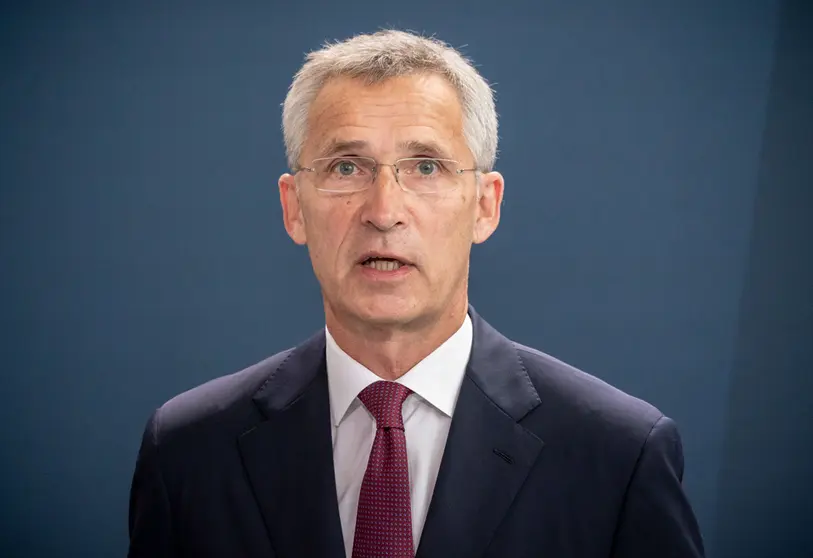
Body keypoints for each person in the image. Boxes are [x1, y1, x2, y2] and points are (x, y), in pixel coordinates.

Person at [127, 29, 705, 558]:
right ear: (292, 207)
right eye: (347, 167)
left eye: (425, 167)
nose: (383, 212)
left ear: (485, 205)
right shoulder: (188, 451)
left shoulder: (618, 454)